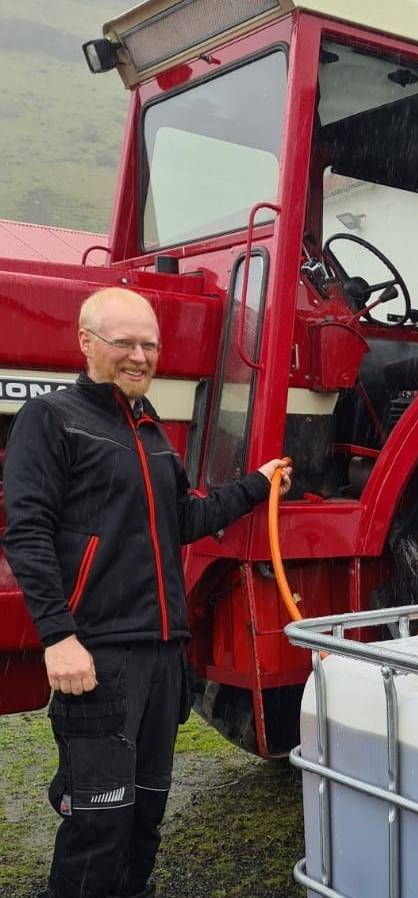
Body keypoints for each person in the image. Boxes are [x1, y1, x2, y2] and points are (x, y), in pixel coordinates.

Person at [3, 287, 292, 898]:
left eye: (150, 345)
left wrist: (255, 486)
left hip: (164, 657)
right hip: (99, 657)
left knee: (146, 815)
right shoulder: (52, 419)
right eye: (124, 343)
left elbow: (182, 519)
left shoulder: (151, 429)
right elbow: (25, 532)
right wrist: (58, 637)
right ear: (86, 343)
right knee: (98, 821)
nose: (139, 356)